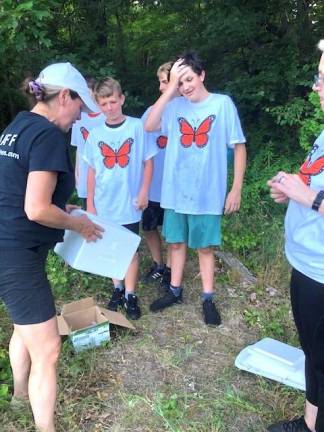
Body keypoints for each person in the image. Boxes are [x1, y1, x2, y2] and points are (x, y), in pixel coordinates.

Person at [0, 62, 103, 432]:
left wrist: (66, 208)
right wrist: (78, 223)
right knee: (49, 350)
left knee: (23, 328)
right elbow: (36, 208)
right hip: (17, 255)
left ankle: (18, 397)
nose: (79, 117)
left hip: (7, 247)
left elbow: (18, 190)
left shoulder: (18, 126)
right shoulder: (47, 136)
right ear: (64, 97)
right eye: (80, 107)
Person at [145, 51, 246, 325]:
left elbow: (238, 146)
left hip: (207, 191)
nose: (185, 86)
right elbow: (149, 125)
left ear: (202, 75)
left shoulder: (222, 104)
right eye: (180, 82)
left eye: (189, 79)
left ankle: (208, 298)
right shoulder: (174, 106)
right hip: (176, 191)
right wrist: (169, 91)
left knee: (204, 247)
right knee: (176, 242)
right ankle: (175, 291)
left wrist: (235, 189)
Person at [267, 39, 324, 432]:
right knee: (313, 353)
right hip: (306, 263)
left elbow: (316, 194)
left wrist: (311, 197)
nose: (316, 86)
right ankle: (308, 424)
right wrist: (291, 186)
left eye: (323, 77)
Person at [84, 77, 157, 320]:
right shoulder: (94, 135)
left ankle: (131, 294)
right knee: (110, 248)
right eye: (103, 104)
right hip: (105, 203)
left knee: (130, 249)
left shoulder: (137, 127)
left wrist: (145, 190)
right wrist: (90, 203)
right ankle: (117, 287)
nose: (109, 108)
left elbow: (148, 161)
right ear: (98, 105)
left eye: (113, 102)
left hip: (129, 202)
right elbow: (92, 170)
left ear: (122, 99)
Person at [141, 62, 173, 289]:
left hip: (174, 188)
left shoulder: (189, 112)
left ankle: (171, 271)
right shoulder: (149, 113)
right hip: (152, 186)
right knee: (150, 227)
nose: (161, 87)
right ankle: (158, 264)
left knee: (172, 232)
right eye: (160, 82)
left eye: (165, 82)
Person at [71, 77, 105, 209]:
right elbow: (79, 148)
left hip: (103, 171)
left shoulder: (105, 115)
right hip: (85, 172)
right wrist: (77, 172)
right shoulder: (78, 116)